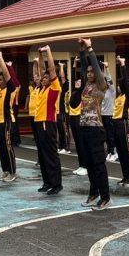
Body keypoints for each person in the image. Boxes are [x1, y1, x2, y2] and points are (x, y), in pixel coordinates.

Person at [77, 38, 110, 209]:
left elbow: (96, 69)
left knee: (98, 165)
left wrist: (90, 49)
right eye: (88, 72)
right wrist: (81, 50)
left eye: (92, 72)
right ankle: (94, 192)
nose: (89, 74)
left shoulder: (101, 85)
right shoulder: (86, 85)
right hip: (84, 128)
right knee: (88, 164)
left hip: (96, 129)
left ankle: (105, 197)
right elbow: (84, 67)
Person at [32, 46, 62, 192]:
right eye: (42, 78)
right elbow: (41, 69)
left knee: (50, 154)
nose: (43, 79)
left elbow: (50, 69)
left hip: (48, 123)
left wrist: (48, 51)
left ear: (51, 79)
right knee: (42, 155)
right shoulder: (41, 89)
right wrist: (39, 55)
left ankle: (56, 184)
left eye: (46, 77)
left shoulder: (54, 88)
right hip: (39, 123)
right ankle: (47, 182)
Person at [0, 51, 19, 183]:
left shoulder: (10, 89)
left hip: (7, 122)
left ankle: (13, 172)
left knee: (8, 147)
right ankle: (6, 170)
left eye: (1, 80)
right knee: (1, 148)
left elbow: (6, 75)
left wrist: (1, 59)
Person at [112, 55, 129, 189]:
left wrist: (122, 65)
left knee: (127, 151)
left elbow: (127, 83)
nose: (117, 87)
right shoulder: (119, 97)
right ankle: (125, 175)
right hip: (116, 124)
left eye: (119, 85)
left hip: (124, 123)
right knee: (120, 151)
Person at [68, 56, 86, 176]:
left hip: (79, 118)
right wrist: (74, 63)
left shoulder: (82, 91)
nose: (78, 82)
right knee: (78, 144)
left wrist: (80, 64)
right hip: (72, 119)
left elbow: (82, 77)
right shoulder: (74, 91)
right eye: (77, 82)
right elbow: (73, 77)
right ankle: (80, 165)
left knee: (82, 143)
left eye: (80, 81)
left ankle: (85, 166)